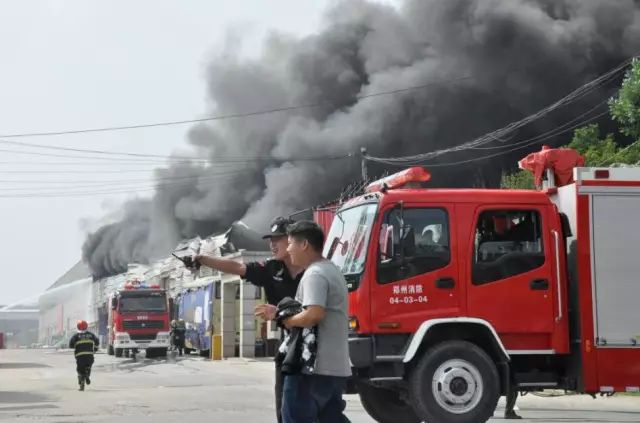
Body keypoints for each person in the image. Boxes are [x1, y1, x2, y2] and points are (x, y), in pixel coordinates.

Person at [193, 216, 303, 423]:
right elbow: (238, 268)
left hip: (316, 343)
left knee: (322, 406)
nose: (272, 244)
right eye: (270, 240)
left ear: (293, 240)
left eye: (277, 239)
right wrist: (204, 259)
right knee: (285, 403)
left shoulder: (314, 269)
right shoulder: (272, 269)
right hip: (288, 343)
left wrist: (278, 311)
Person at [279, 220, 351, 423]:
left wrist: (289, 321)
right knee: (331, 417)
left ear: (304, 245)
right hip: (333, 367)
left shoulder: (314, 274)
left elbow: (314, 314)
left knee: (296, 417)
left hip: (312, 367)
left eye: (291, 243)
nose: (288, 249)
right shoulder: (332, 269)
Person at [69, 320, 99, 392]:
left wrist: (75, 346)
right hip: (89, 356)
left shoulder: (76, 336)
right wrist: (95, 349)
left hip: (80, 357)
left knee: (79, 370)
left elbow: (71, 345)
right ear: (86, 326)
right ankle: (87, 374)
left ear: (78, 327)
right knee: (88, 365)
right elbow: (97, 341)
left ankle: (81, 382)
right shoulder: (91, 335)